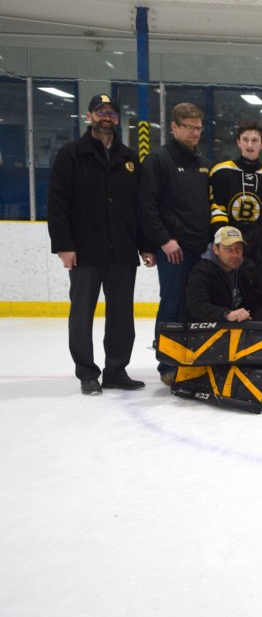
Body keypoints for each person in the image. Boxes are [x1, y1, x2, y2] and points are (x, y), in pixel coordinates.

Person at [47, 93, 155, 395]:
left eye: (110, 112)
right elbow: (57, 204)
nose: (105, 116)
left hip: (122, 250)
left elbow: (140, 206)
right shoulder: (71, 154)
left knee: (121, 315)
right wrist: (63, 245)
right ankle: (87, 373)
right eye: (99, 111)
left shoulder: (129, 158)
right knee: (82, 313)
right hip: (85, 251)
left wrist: (145, 245)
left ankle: (116, 370)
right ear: (89, 116)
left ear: (117, 119)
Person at [138, 102, 211, 383]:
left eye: (198, 127)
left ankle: (192, 360)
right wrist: (162, 241)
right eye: (189, 127)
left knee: (197, 307)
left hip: (201, 248)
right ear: (174, 127)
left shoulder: (204, 163)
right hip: (173, 250)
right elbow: (146, 206)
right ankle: (168, 366)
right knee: (172, 306)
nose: (195, 133)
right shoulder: (158, 160)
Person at [208, 120, 262, 287]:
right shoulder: (221, 172)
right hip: (230, 246)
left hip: (261, 246)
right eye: (245, 139)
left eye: (255, 140)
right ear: (238, 142)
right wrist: (223, 243)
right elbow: (217, 209)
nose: (250, 144)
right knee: (230, 292)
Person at [184, 226, 262, 326]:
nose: (235, 255)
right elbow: (196, 306)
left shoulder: (248, 267)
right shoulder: (202, 271)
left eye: (238, 249)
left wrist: (255, 323)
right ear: (215, 249)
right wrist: (226, 315)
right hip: (215, 323)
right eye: (228, 249)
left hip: (245, 322)